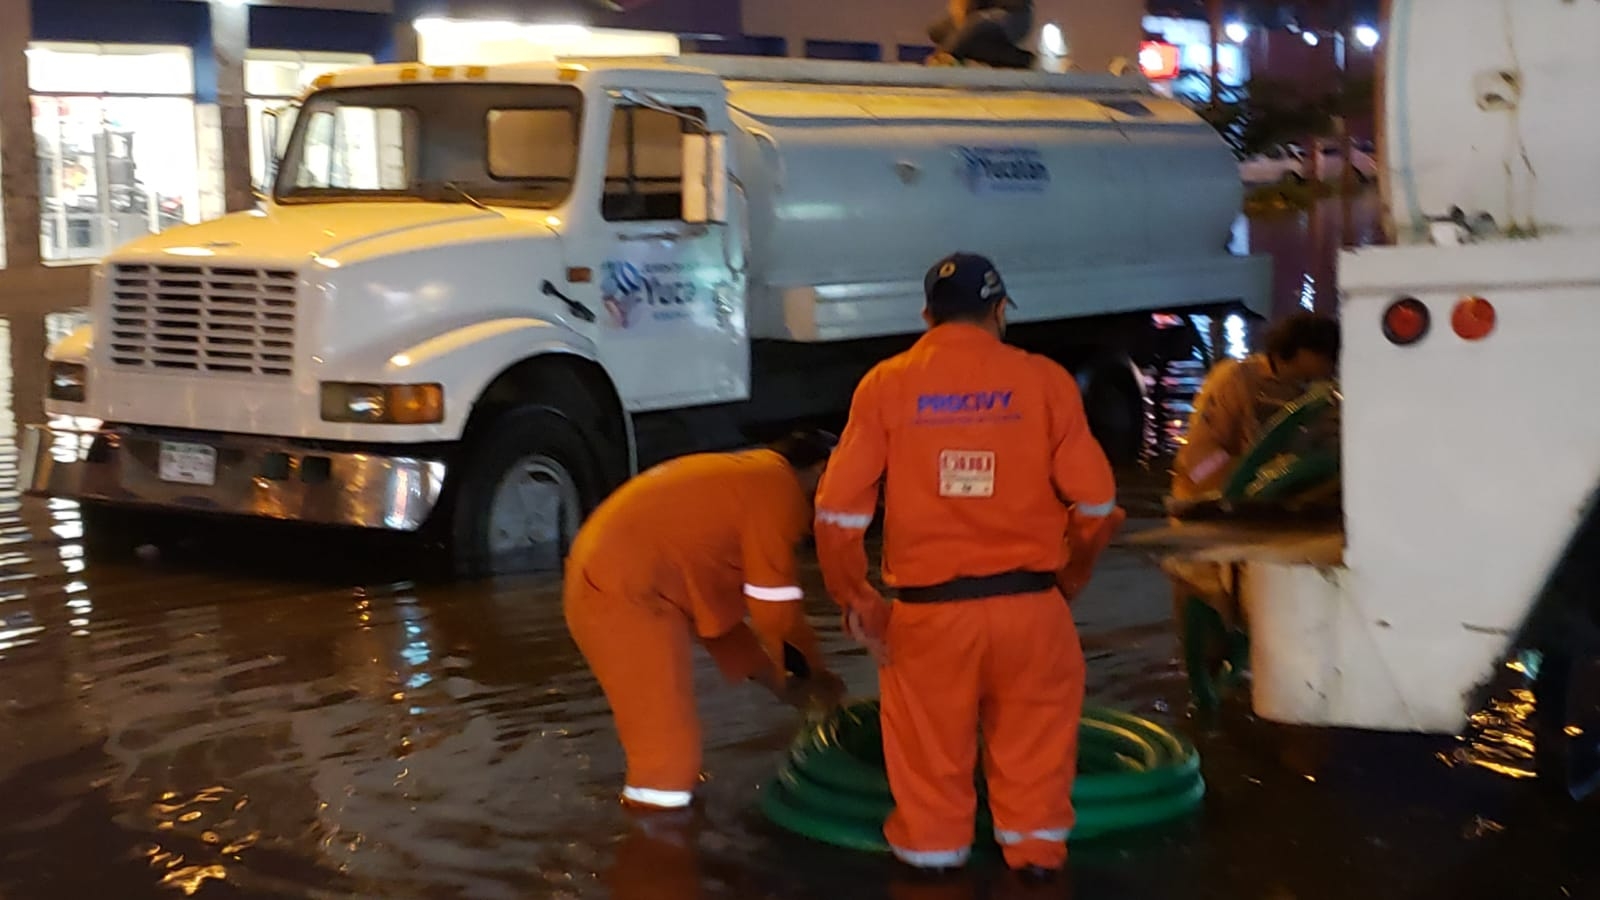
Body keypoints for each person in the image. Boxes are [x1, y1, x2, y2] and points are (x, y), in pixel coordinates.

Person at [813, 252, 1122, 879]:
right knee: (1036, 798)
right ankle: (1034, 869)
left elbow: (838, 513)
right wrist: (1070, 580)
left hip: (928, 621)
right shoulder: (1045, 381)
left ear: (927, 314)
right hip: (1033, 612)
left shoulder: (886, 384)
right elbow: (1098, 502)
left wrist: (859, 599)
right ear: (1001, 311)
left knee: (930, 798)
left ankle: (935, 870)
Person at [564, 432, 847, 811]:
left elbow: (719, 624)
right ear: (822, 470)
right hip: (623, 593)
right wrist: (811, 676)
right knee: (668, 765)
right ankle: (656, 854)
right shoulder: (778, 490)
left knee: (674, 758)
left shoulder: (746, 483)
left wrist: (785, 686)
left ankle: (670, 823)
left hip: (614, 582)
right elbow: (776, 614)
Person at [1165, 312, 1340, 706]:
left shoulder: (1327, 396)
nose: (1307, 388)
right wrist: (1243, 485)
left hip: (1272, 528)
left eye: (1318, 379)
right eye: (1301, 378)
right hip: (1211, 524)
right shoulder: (1234, 383)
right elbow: (1198, 457)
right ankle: (1207, 710)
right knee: (1208, 633)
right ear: (1282, 355)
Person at [1170, 312, 1341, 503]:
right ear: (1297, 353)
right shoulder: (1235, 380)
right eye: (1328, 357)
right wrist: (1239, 487)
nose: (1332, 367)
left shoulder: (1315, 393)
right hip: (1212, 508)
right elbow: (1201, 454)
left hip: (1271, 507)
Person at [926, 0, 1036, 69]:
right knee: (937, 31)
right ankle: (1018, 59)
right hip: (981, 16)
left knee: (976, 22)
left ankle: (948, 55)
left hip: (1014, 15)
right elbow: (961, 11)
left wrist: (944, 51)